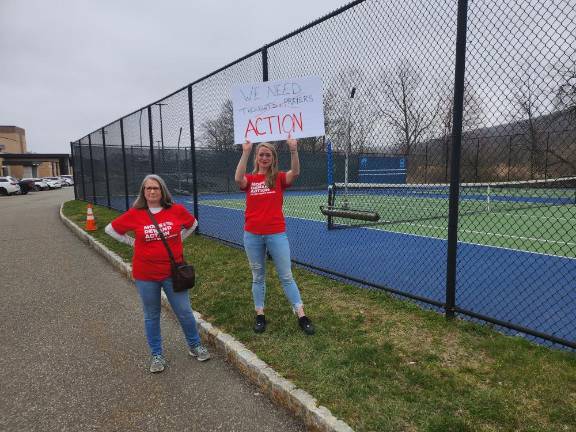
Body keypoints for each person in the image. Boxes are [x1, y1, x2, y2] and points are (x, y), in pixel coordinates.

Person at [104, 174, 210, 373]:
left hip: (173, 272)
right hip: (146, 274)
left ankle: (194, 345)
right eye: (148, 188)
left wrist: (178, 239)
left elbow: (192, 224)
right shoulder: (136, 213)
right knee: (152, 315)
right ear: (143, 192)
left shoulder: (176, 210)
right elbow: (110, 229)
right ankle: (156, 354)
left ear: (162, 191)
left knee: (185, 312)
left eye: (155, 188)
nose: (152, 191)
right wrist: (132, 243)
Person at [234, 135, 315, 335]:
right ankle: (260, 314)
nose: (264, 158)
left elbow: (295, 172)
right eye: (261, 154)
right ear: (257, 158)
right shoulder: (251, 180)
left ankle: (301, 315)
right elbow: (238, 179)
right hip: (252, 235)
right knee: (257, 276)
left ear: (273, 158)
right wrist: (245, 152)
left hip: (276, 234)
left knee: (286, 276)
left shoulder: (278, 178)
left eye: (267, 155)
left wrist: (294, 150)